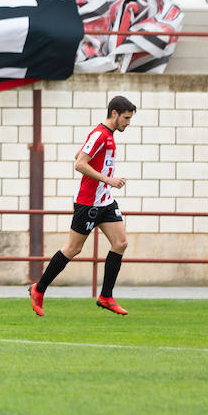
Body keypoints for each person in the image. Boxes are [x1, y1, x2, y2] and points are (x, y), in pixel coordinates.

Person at [29, 96, 136, 318]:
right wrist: (109, 180)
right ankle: (39, 289)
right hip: (88, 203)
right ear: (114, 113)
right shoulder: (100, 134)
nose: (128, 123)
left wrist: (106, 181)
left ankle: (106, 296)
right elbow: (79, 163)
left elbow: (80, 155)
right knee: (73, 249)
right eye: (126, 118)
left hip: (105, 201)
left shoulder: (106, 135)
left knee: (121, 243)